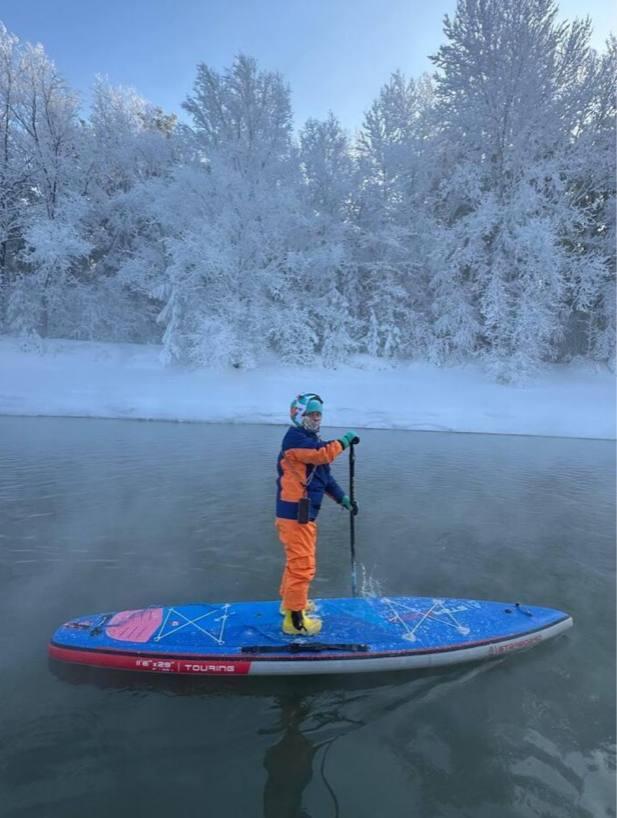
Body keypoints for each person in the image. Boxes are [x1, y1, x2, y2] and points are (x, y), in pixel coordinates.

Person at [275, 392, 359, 636]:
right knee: (302, 565)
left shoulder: (310, 440)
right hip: (294, 514)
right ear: (298, 415)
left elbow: (324, 477)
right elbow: (322, 454)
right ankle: (295, 621)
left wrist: (343, 499)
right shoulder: (295, 440)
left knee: (297, 562)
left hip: (302, 513)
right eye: (311, 413)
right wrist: (344, 441)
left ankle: (290, 604)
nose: (316, 418)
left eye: (318, 414)